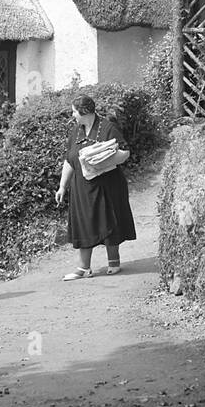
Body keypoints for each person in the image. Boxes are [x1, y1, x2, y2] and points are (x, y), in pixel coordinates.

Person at [55, 95, 136, 279]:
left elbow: (125, 152)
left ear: (84, 112)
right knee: (83, 221)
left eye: (74, 111)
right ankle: (84, 268)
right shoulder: (76, 131)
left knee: (109, 219)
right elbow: (69, 159)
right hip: (82, 187)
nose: (72, 115)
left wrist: (103, 160)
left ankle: (113, 262)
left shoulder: (108, 127)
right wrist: (62, 186)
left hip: (108, 184)